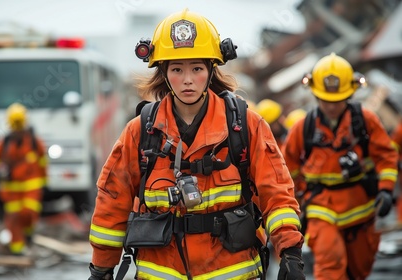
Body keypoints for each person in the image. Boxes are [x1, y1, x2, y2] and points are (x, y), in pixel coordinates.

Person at [88, 9, 305, 280]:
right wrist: (102, 267)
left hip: (232, 272)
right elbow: (112, 202)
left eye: (197, 68)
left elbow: (277, 193)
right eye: (177, 69)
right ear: (164, 73)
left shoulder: (246, 126)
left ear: (211, 70)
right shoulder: (140, 131)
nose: (188, 79)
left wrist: (290, 252)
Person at [282, 53, 398, 279]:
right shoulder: (302, 129)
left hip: (361, 208)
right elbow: (286, 169)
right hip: (321, 207)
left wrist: (385, 189)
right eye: (325, 100)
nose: (331, 106)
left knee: (359, 269)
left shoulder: (364, 121)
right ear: (315, 95)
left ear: (351, 93)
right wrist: (297, 200)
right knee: (330, 265)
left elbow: (386, 156)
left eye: (337, 100)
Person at [0, 103, 47, 255]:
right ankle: (17, 250)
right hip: (11, 188)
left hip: (31, 186)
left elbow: (42, 161)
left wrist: (45, 181)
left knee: (28, 213)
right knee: (13, 219)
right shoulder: (4, 143)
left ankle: (27, 235)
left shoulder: (34, 142)